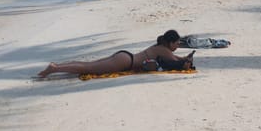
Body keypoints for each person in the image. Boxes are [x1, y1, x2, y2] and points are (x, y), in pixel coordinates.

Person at [37, 29, 195, 78]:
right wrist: (186, 60)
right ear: (170, 42)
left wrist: (184, 58)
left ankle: (57, 66)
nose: (178, 46)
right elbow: (177, 61)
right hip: (125, 61)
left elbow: (176, 58)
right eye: (177, 43)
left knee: (89, 65)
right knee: (88, 69)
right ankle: (54, 69)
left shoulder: (160, 47)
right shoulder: (163, 50)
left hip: (124, 56)